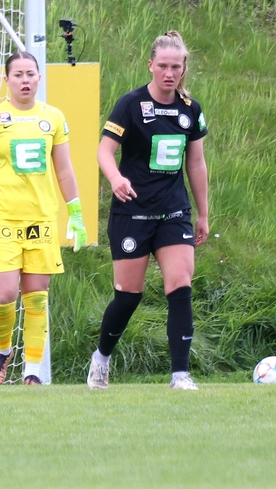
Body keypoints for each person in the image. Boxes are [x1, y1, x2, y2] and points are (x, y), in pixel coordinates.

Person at [88, 31, 209, 391]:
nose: (169, 73)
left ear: (184, 67)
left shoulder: (191, 110)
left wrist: (203, 213)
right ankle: (101, 358)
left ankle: (180, 375)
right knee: (128, 296)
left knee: (180, 285)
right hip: (132, 213)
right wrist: (114, 179)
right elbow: (103, 151)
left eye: (176, 66)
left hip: (173, 212)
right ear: (150, 66)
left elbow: (197, 164)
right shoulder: (131, 104)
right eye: (162, 66)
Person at [0, 51, 87, 386]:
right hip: (2, 218)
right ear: (7, 81)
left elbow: (64, 170)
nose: (25, 80)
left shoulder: (54, 118)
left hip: (41, 219)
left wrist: (75, 212)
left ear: (39, 78)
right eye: (17, 74)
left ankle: (32, 370)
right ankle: (3, 350)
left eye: (30, 73)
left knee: (36, 294)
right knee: (4, 294)